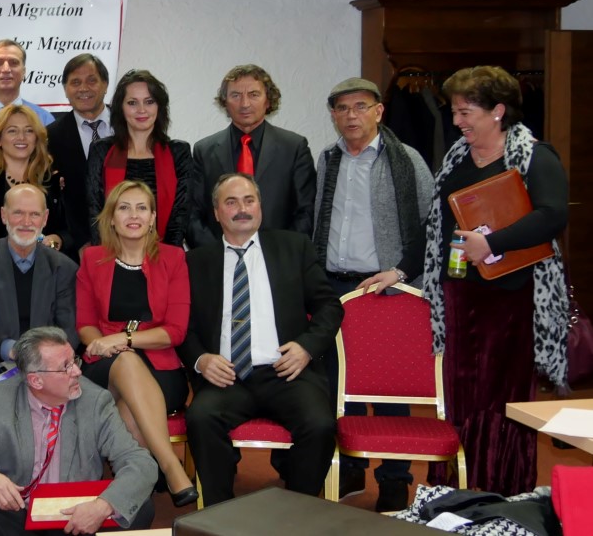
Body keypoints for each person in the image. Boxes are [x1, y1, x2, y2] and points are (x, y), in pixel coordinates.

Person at [419, 66, 570, 497]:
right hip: (459, 295)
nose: (457, 122)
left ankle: (500, 490)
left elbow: (552, 216)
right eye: (454, 112)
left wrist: (492, 243)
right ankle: (454, 489)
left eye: (465, 112)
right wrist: (400, 267)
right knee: (460, 396)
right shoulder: (456, 159)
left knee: (501, 401)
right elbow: (435, 226)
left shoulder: (535, 156)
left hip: (511, 299)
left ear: (498, 111)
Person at [178, 173, 341, 506]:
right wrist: (201, 359)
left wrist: (306, 347)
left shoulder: (293, 247)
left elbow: (329, 306)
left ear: (260, 207)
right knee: (201, 418)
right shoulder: (195, 262)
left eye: (249, 200)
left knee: (320, 425)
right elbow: (182, 326)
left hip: (286, 373)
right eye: (231, 202)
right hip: (227, 378)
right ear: (216, 212)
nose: (242, 209)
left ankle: (297, 512)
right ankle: (220, 516)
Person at [312, 77, 433, 511]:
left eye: (360, 106)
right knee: (338, 384)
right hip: (335, 286)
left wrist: (401, 273)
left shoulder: (407, 160)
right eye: (342, 108)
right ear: (333, 115)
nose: (351, 116)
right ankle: (348, 468)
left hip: (386, 288)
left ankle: (395, 478)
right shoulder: (327, 159)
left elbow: (431, 224)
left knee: (386, 389)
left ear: (379, 111)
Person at [0, 327, 159, 533]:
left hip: (77, 518)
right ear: (36, 380)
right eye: (66, 367)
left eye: (74, 360)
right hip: (20, 515)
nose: (77, 371)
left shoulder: (95, 401)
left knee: (137, 506)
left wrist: (103, 506)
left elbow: (140, 462)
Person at [77, 180, 197, 507]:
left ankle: (136, 492)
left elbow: (175, 331)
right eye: (124, 208)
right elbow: (85, 324)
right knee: (126, 361)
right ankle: (170, 466)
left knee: (127, 410)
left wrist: (125, 338)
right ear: (111, 218)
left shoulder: (173, 258)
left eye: (142, 208)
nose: (134, 215)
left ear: (153, 218)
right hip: (105, 368)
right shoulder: (92, 259)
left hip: (161, 368)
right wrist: (102, 344)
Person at [189, 65, 315, 248]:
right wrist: (218, 254)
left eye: (254, 94)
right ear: (225, 102)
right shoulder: (204, 150)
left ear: (268, 100)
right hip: (218, 258)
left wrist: (282, 255)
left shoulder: (294, 147)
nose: (245, 104)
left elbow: (306, 211)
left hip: (279, 256)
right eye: (235, 95)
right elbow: (193, 213)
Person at [0, 184, 78, 362]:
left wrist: (39, 356)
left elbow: (69, 330)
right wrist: (9, 350)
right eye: (18, 213)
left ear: (45, 218)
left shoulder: (64, 268)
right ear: (3, 215)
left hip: (48, 364)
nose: (26, 222)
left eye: (35, 214)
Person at [87, 69, 193, 249]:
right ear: (121, 108)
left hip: (165, 255)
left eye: (149, 101)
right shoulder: (102, 151)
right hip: (111, 253)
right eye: (132, 103)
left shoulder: (178, 152)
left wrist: (166, 257)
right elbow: (95, 212)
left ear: (159, 107)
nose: (142, 110)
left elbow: (180, 216)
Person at [0, 105, 70, 265]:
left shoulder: (51, 177)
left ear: (37, 138)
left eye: (29, 131)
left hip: (40, 267)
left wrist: (58, 239)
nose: (21, 137)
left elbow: (67, 227)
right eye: (12, 131)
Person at [46, 53, 113, 261]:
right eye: (75, 82)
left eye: (91, 80)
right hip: (75, 250)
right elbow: (54, 198)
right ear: (65, 89)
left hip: (129, 240)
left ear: (105, 84)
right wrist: (80, 241)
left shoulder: (128, 127)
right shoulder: (50, 136)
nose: (84, 88)